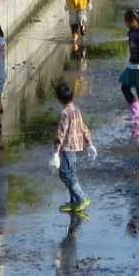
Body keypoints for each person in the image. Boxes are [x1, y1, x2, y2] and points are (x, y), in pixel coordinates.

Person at [52, 81, 97, 214]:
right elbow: (83, 127)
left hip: (67, 148)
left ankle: (81, 198)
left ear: (59, 99)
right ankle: (74, 202)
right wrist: (89, 143)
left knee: (65, 174)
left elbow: (61, 132)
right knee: (71, 173)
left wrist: (56, 151)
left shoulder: (65, 113)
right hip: (76, 147)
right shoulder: (76, 110)